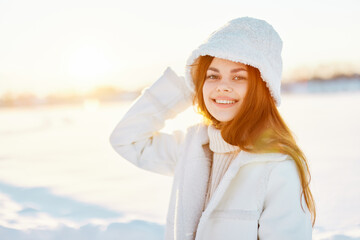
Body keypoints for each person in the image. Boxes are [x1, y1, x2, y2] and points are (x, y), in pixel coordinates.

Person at [109, 16, 316, 240]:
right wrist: (188, 87)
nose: (222, 86)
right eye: (212, 76)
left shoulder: (276, 165)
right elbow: (126, 139)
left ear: (262, 87)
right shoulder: (190, 146)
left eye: (238, 77)